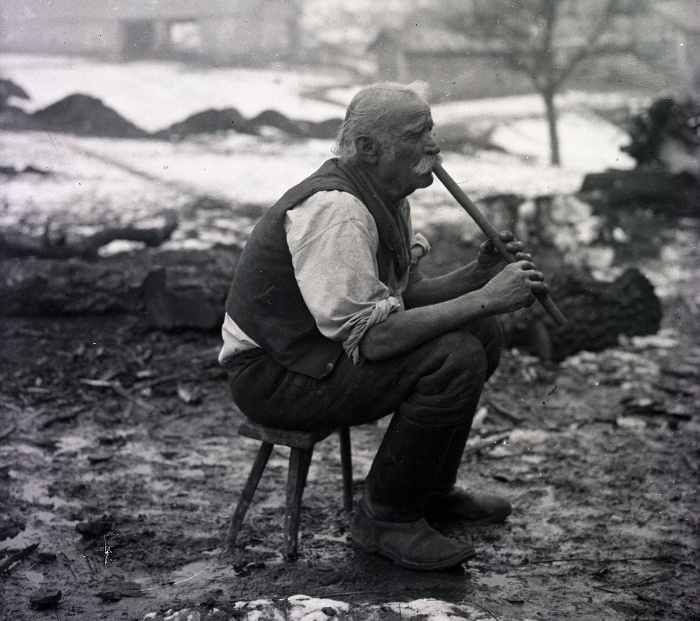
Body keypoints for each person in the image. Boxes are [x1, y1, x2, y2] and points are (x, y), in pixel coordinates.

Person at [219, 81, 547, 571]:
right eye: (416, 135)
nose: (433, 146)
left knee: (481, 334)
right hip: (274, 377)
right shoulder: (338, 211)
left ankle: (430, 492)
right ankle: (384, 519)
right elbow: (373, 338)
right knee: (454, 357)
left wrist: (478, 274)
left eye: (430, 130)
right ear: (368, 148)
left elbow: (402, 298)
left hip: (316, 357)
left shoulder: (387, 194)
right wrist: (487, 298)